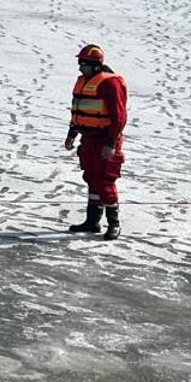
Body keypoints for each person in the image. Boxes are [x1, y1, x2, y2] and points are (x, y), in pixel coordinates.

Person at [64, 45, 128, 239]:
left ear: (94, 65)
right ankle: (92, 221)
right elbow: (78, 110)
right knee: (91, 178)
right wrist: (71, 134)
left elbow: (119, 117)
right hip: (88, 138)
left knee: (104, 180)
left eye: (82, 63)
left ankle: (114, 223)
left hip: (104, 139)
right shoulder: (83, 82)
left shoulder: (109, 84)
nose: (79, 68)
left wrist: (111, 143)